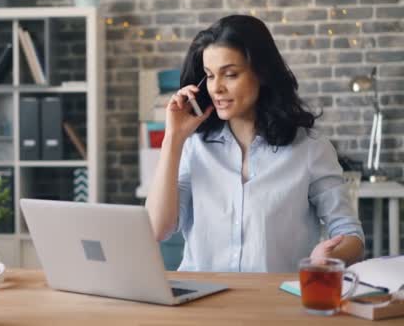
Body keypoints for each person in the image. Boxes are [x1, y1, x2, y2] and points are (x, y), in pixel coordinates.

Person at [145, 15, 364, 273]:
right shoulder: (194, 147)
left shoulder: (310, 148)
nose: (217, 88)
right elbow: (156, 229)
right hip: (200, 302)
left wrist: (330, 257)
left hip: (275, 303)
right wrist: (173, 138)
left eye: (230, 74)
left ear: (262, 73)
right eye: (209, 76)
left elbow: (351, 235)